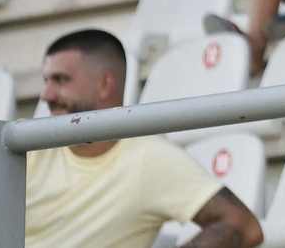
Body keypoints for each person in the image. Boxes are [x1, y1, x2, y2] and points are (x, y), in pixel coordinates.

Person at [28, 29, 263, 248]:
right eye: (46, 81)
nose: (46, 95)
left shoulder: (147, 158)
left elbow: (244, 225)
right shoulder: (28, 146)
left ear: (104, 84)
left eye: (61, 80)